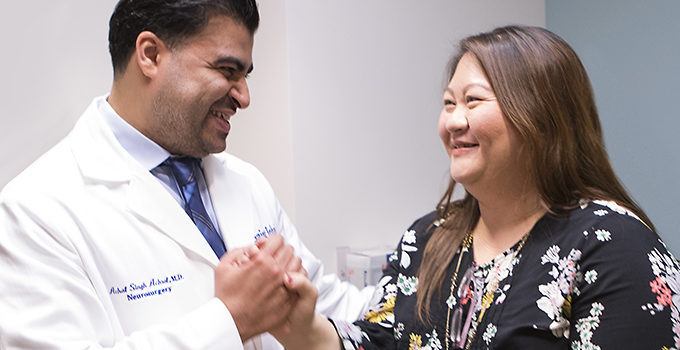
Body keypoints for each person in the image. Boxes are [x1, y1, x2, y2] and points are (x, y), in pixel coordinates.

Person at [269, 25, 680, 349]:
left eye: (473, 101)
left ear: (541, 116)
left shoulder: (614, 246)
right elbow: (381, 342)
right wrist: (304, 330)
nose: (453, 122)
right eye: (449, 103)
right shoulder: (428, 238)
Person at [0, 1, 373, 349]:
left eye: (246, 76)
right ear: (150, 55)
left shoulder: (246, 183)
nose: (244, 97)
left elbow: (330, 304)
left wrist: (422, 293)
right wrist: (230, 319)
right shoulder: (34, 212)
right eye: (228, 71)